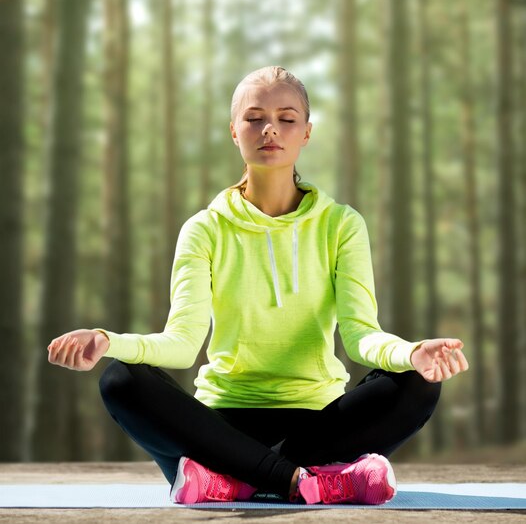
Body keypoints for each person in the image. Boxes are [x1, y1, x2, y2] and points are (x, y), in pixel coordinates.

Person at [48, 66, 469, 506]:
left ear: (306, 133)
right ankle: (308, 481)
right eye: (254, 118)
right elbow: (181, 344)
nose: (270, 128)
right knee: (120, 380)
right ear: (234, 131)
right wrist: (106, 340)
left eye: (287, 119)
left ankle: (236, 481)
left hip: (318, 424)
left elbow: (361, 336)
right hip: (219, 429)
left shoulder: (342, 224)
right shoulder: (204, 229)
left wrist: (411, 353)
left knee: (418, 383)